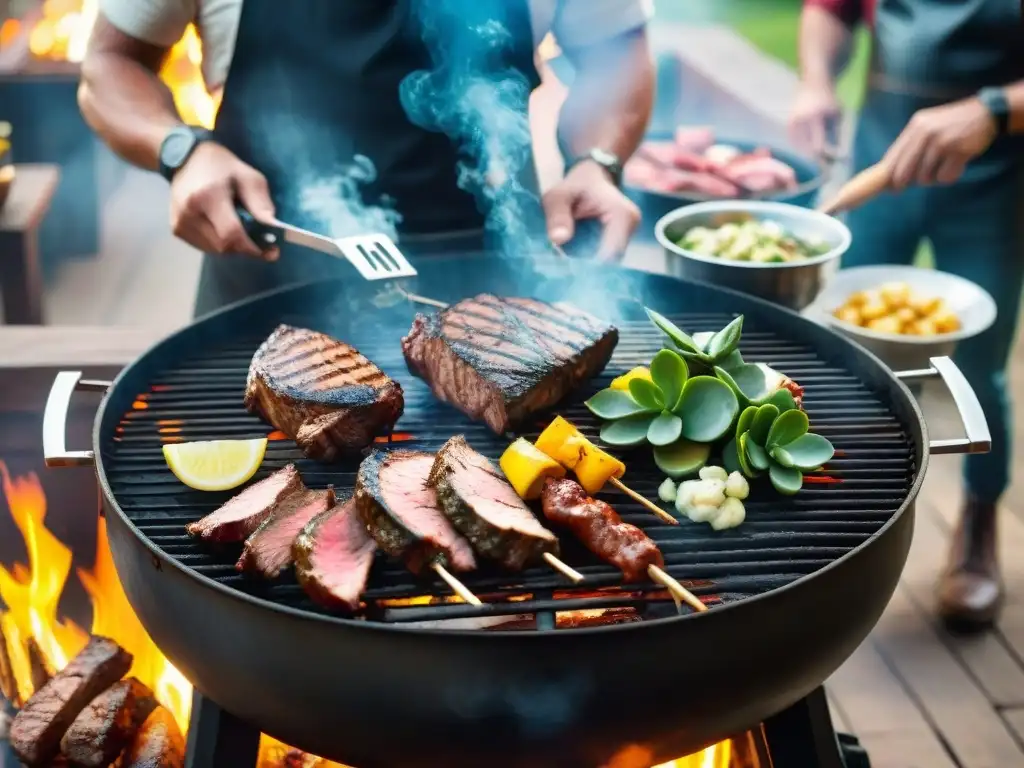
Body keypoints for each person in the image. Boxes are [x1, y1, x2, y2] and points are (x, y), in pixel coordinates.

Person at [78, 0, 655, 317]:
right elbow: (109, 65)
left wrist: (596, 163)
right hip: (270, 273)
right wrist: (183, 151)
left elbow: (618, 55)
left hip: (502, 278)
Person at [790, 0, 1024, 631]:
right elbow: (831, 11)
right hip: (882, 146)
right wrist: (816, 83)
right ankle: (842, 524)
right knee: (848, 355)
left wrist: (994, 109)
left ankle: (976, 528)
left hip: (996, 171)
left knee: (977, 366)